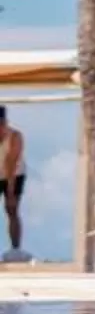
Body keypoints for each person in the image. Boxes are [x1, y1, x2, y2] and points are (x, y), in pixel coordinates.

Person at [0, 106, 23, 254]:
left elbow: (11, 162)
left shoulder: (15, 136)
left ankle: (15, 249)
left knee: (11, 209)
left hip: (15, 174)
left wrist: (10, 192)